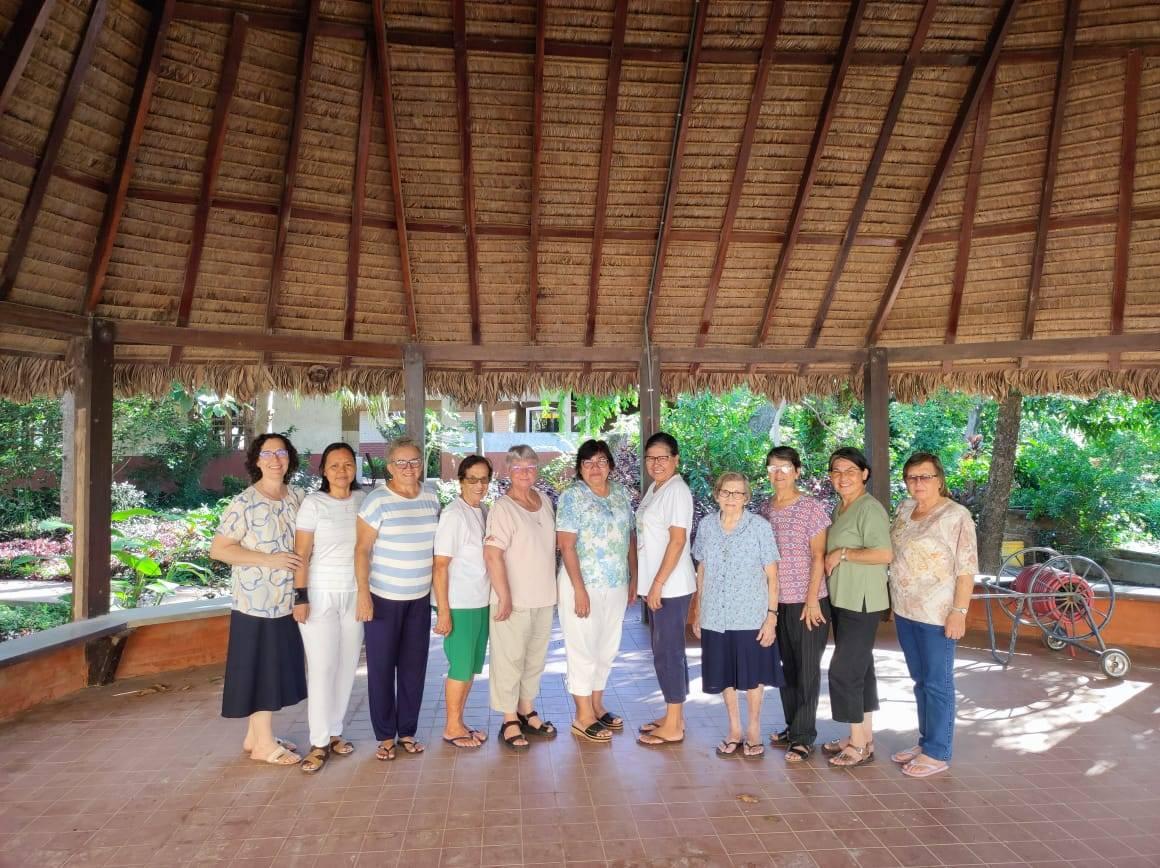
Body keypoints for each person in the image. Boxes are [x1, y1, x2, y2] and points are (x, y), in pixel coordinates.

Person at [210, 433, 307, 766]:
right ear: (256, 460)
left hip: (286, 600)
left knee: (273, 667)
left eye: (281, 452)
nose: (275, 459)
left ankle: (256, 737)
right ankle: (264, 745)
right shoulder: (245, 503)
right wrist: (269, 560)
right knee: (261, 669)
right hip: (255, 602)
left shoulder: (297, 496)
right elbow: (219, 549)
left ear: (290, 458)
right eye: (267, 453)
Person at [889, 452, 978, 778]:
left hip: (938, 613)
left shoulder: (956, 516)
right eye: (912, 477)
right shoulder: (904, 509)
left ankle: (938, 752)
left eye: (925, 476)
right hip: (905, 609)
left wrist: (959, 612)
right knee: (920, 681)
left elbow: (966, 569)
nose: (918, 483)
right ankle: (926, 741)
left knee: (938, 683)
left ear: (939, 479)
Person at [355, 437, 440, 761]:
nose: (408, 468)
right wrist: (364, 594)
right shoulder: (377, 501)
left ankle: (406, 732)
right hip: (383, 599)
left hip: (419, 599)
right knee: (381, 670)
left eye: (414, 461)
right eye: (401, 462)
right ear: (390, 467)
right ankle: (384, 736)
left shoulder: (430, 497)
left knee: (413, 669)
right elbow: (361, 550)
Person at [692, 472, 783, 759]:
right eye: (726, 492)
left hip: (750, 615)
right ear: (717, 494)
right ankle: (734, 730)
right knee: (724, 674)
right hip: (715, 615)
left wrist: (772, 616)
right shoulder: (706, 526)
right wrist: (698, 610)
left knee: (753, 676)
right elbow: (702, 569)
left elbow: (772, 575)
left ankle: (753, 730)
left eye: (738, 493)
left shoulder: (760, 527)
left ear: (747, 497)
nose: (731, 498)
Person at [291, 442, 365, 774]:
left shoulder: (363, 500)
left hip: (355, 594)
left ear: (355, 467)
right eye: (334, 465)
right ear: (323, 470)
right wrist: (300, 596)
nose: (341, 471)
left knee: (347, 667)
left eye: (347, 464)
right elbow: (301, 554)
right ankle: (319, 741)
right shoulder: (314, 503)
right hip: (320, 594)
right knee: (322, 668)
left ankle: (335, 732)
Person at [556, 439, 637, 743]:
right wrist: (579, 589)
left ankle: (597, 705)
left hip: (615, 583)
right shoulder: (572, 497)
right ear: (579, 468)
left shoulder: (620, 493)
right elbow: (566, 545)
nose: (595, 468)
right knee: (583, 649)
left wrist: (633, 575)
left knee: (607, 648)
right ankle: (582, 716)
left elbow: (629, 535)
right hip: (582, 584)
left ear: (610, 466)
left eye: (601, 461)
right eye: (588, 462)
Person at [483, 445, 558, 751]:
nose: (525, 473)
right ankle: (509, 718)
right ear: (508, 471)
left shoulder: (544, 501)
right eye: (518, 468)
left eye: (530, 467)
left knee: (534, 659)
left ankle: (526, 709)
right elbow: (492, 555)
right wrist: (504, 596)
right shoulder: (503, 508)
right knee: (509, 660)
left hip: (543, 596)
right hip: (512, 599)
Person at [822, 447, 893, 768]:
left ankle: (858, 745)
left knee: (845, 670)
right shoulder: (841, 507)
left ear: (864, 474)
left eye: (850, 470)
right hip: (843, 598)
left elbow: (884, 554)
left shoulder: (869, 509)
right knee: (861, 669)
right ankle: (863, 737)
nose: (843, 477)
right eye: (836, 471)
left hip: (861, 602)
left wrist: (843, 554)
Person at [764, 446, 832, 763]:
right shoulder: (765, 508)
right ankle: (793, 727)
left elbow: (818, 556)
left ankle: (804, 737)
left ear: (797, 471)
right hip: (776, 603)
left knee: (807, 670)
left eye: (785, 467)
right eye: (772, 468)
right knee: (786, 669)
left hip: (808, 603)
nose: (778, 474)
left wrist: (812, 600)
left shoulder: (811, 508)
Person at [636, 432, 697, 748]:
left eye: (662, 457)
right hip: (659, 584)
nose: (656, 463)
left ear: (676, 459)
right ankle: (675, 716)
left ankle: (673, 725)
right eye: (650, 457)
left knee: (668, 653)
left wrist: (658, 583)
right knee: (668, 651)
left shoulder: (677, 491)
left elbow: (677, 541)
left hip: (670, 586)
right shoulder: (657, 488)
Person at [432, 455, 494, 749]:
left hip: (480, 600)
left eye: (484, 479)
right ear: (461, 481)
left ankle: (459, 721)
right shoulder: (454, 515)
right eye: (472, 479)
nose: (479, 485)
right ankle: (451, 727)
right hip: (459, 603)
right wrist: (444, 612)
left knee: (470, 666)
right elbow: (440, 565)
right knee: (460, 665)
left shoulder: (481, 510)